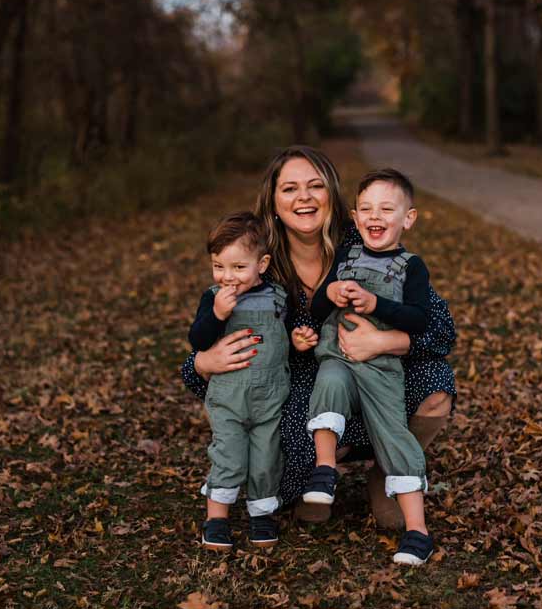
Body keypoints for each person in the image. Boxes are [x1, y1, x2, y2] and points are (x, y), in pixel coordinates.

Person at [180, 145, 455, 529]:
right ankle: (316, 473)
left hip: (371, 366)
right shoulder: (256, 263)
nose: (304, 197)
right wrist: (204, 363)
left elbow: (440, 328)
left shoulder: (364, 244)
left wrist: (386, 342)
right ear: (273, 201)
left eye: (315, 186)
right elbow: (197, 355)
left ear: (332, 194)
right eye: (290, 188)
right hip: (293, 382)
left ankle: (388, 473)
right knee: (304, 419)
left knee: (435, 385)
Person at [304, 169, 435, 565]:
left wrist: (377, 306)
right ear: (355, 216)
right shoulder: (345, 256)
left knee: (394, 434)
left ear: (407, 218)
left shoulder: (411, 267)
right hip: (339, 357)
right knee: (327, 381)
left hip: (381, 369)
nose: (375, 216)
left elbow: (419, 318)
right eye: (366, 209)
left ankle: (418, 532)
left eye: (386, 209)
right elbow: (316, 310)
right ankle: (325, 469)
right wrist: (329, 291)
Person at [188, 212, 317, 551]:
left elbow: (281, 338)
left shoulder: (278, 296)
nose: (228, 277)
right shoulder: (213, 297)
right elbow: (198, 340)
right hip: (229, 396)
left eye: (238, 267)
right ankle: (216, 519)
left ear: (262, 264)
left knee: (266, 459)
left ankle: (261, 515)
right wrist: (217, 315)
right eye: (219, 266)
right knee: (228, 456)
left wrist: (298, 341)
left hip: (271, 397)